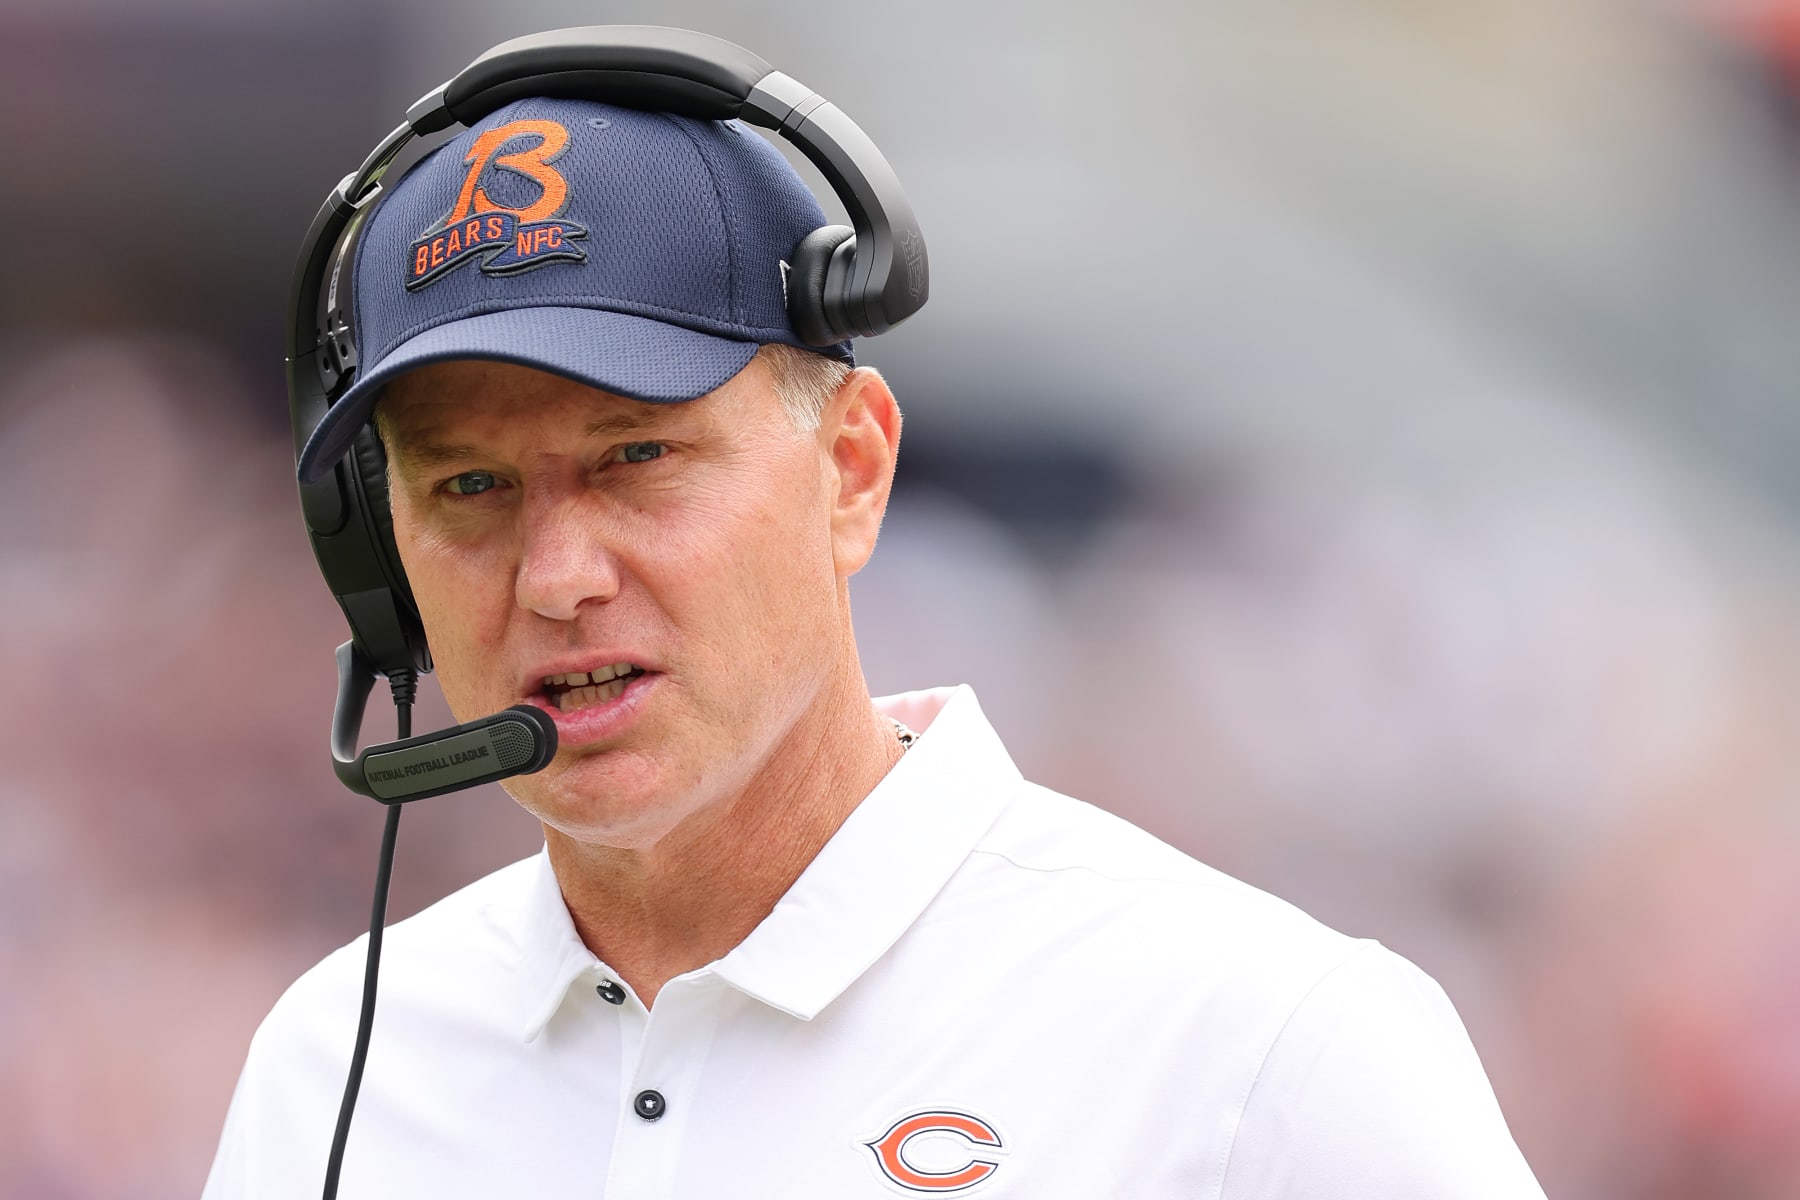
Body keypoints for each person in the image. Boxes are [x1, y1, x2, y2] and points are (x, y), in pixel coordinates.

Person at [205, 76, 1547, 1199]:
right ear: (379, 558)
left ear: (852, 468)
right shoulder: (333, 1071)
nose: (556, 578)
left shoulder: (1269, 1049)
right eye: (471, 488)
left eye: (637, 457)